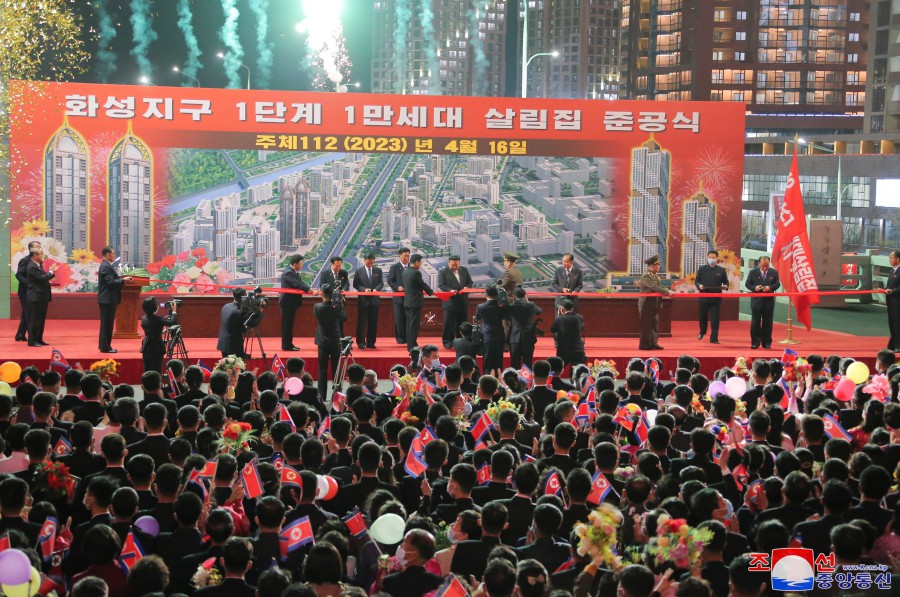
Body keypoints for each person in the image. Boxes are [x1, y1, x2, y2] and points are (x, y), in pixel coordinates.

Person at [314, 284, 347, 403]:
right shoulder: (337, 307)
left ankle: (321, 396)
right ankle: (336, 396)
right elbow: (344, 317)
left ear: (322, 294)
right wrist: (342, 304)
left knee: (322, 370)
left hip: (322, 342)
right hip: (335, 342)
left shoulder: (317, 307)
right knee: (336, 370)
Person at [97, 246, 132, 353]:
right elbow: (110, 283)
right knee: (107, 324)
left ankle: (103, 345)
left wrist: (122, 280)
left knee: (106, 324)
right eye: (113, 253)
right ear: (108, 255)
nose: (114, 255)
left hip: (107, 299)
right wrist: (123, 280)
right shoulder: (106, 267)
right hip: (107, 300)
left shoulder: (106, 265)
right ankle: (105, 347)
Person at [438, 255, 474, 349]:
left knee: (462, 323)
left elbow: (470, 282)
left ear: (459, 263)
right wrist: (449, 290)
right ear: (448, 263)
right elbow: (441, 285)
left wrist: (467, 288)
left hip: (463, 301)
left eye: (456, 265)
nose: (454, 267)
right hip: (450, 301)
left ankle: (461, 340)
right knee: (448, 323)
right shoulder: (443, 272)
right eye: (453, 265)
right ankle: (447, 342)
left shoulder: (464, 270)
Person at [745, 255, 780, 349]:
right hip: (756, 301)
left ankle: (766, 342)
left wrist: (770, 288)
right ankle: (755, 342)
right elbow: (747, 284)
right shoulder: (753, 272)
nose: (765, 268)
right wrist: (755, 288)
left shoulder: (774, 272)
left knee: (768, 322)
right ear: (758, 264)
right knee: (755, 322)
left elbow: (777, 284)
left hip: (768, 301)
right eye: (763, 266)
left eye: (767, 266)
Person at [695, 250, 729, 344]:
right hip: (704, 298)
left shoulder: (721, 270)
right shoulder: (702, 269)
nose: (711, 259)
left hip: (716, 299)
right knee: (702, 317)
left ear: (717, 258)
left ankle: (714, 338)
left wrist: (725, 286)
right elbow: (697, 281)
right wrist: (699, 286)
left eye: (713, 257)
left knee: (715, 319)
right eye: (709, 257)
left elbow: (726, 282)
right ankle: (702, 332)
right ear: (707, 258)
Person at [638, 254, 671, 351]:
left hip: (654, 303)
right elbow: (654, 287)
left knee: (654, 324)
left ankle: (653, 342)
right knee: (646, 325)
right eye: (657, 265)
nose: (659, 267)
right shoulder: (646, 276)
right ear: (651, 266)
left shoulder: (654, 276)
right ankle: (645, 345)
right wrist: (667, 292)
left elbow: (660, 286)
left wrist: (667, 290)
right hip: (646, 303)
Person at [280, 254, 313, 351]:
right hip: (287, 302)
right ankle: (287, 345)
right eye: (301, 263)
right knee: (287, 325)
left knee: (289, 324)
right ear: (295, 264)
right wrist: (310, 290)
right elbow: (297, 284)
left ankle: (289, 344)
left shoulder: (293, 272)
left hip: (291, 302)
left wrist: (310, 289)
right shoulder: (288, 273)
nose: (302, 265)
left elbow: (300, 283)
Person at [26, 248, 58, 347]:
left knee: (40, 320)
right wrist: (51, 272)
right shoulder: (32, 267)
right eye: (40, 254)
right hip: (36, 297)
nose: (42, 256)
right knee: (35, 320)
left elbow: (44, 276)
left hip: (42, 297)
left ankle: (39, 339)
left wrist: (51, 273)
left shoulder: (38, 266)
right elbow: (42, 278)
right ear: (35, 256)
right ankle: (32, 341)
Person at [403, 253, 434, 351]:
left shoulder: (405, 271)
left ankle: (411, 344)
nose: (421, 264)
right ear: (416, 262)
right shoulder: (416, 273)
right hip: (415, 302)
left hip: (407, 302)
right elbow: (422, 284)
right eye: (420, 262)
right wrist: (431, 292)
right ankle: (411, 347)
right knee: (413, 326)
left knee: (409, 324)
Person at [353, 252, 384, 350]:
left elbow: (381, 283)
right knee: (361, 322)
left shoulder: (378, 270)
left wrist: (376, 289)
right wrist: (363, 289)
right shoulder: (359, 271)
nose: (370, 264)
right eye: (368, 262)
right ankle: (361, 342)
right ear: (364, 260)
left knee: (373, 322)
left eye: (372, 262)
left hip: (374, 300)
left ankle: (371, 342)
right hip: (363, 300)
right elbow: (355, 284)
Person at [140, 297, 177, 374]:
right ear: (155, 307)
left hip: (146, 345)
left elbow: (151, 328)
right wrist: (174, 311)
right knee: (157, 369)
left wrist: (160, 331)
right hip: (156, 346)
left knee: (147, 368)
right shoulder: (158, 319)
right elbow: (171, 322)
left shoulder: (143, 318)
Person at [476, 284, 506, 375]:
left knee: (487, 360)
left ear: (486, 294)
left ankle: (487, 379)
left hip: (487, 336)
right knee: (499, 360)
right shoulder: (501, 307)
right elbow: (506, 316)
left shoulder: (480, 307)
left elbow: (477, 318)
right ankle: (499, 379)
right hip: (499, 335)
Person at [508, 287, 541, 369]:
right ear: (525, 295)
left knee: (514, 362)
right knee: (528, 362)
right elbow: (539, 311)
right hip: (528, 336)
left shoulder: (511, 306)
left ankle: (514, 380)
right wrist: (528, 301)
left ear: (514, 296)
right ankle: (527, 381)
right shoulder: (531, 305)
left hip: (515, 337)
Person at [14, 240, 41, 342]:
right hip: (25, 291)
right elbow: (19, 275)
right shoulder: (25, 260)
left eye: (40, 246)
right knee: (28, 313)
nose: (39, 248)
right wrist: (29, 284)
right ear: (31, 249)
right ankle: (30, 336)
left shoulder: (38, 261)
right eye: (37, 247)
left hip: (33, 291)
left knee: (27, 313)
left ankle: (20, 334)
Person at [387, 247, 411, 345]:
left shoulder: (411, 267)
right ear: (399, 256)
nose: (406, 258)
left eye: (408, 256)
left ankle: (408, 337)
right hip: (398, 298)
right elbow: (390, 280)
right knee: (399, 319)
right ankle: (400, 339)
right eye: (405, 256)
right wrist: (397, 287)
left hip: (410, 298)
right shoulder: (394, 267)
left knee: (408, 318)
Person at [550, 299, 585, 367]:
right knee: (575, 372)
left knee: (558, 369)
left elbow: (553, 330)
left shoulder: (559, 319)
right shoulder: (579, 318)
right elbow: (582, 328)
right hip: (577, 349)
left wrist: (560, 315)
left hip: (564, 350)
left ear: (563, 308)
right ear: (572, 308)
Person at [217, 288, 247, 358]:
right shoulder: (237, 312)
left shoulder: (226, 306)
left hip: (223, 343)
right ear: (243, 297)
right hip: (233, 346)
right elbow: (244, 329)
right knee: (235, 368)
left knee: (226, 367)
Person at [885, 250, 900, 351]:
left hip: (898, 301)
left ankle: (898, 345)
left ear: (898, 259)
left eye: (891, 257)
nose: (890, 260)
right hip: (891, 301)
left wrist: (893, 291)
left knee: (897, 323)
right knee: (892, 322)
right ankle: (893, 344)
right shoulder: (893, 270)